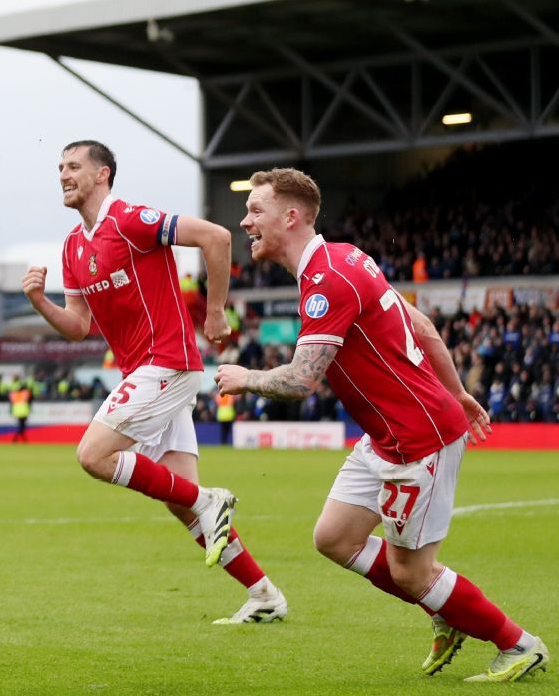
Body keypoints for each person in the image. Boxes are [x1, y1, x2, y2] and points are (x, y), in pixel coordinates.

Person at [215, 168, 548, 682]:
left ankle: (519, 644)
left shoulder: (328, 278)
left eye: (256, 210)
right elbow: (422, 325)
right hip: (387, 437)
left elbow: (303, 380)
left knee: (411, 571)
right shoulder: (348, 256)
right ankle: (446, 610)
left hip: (418, 438)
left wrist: (245, 376)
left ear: (291, 216)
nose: (246, 221)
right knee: (334, 538)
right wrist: (457, 391)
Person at [22, 140, 286, 624]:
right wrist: (41, 302)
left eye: (74, 166)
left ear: (102, 174)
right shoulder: (72, 246)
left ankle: (211, 499)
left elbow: (217, 237)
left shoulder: (130, 219)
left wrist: (214, 312)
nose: (63, 174)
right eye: (59, 166)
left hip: (167, 363)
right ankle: (264, 594)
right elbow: (79, 325)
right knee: (180, 502)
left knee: (93, 455)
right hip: (145, 374)